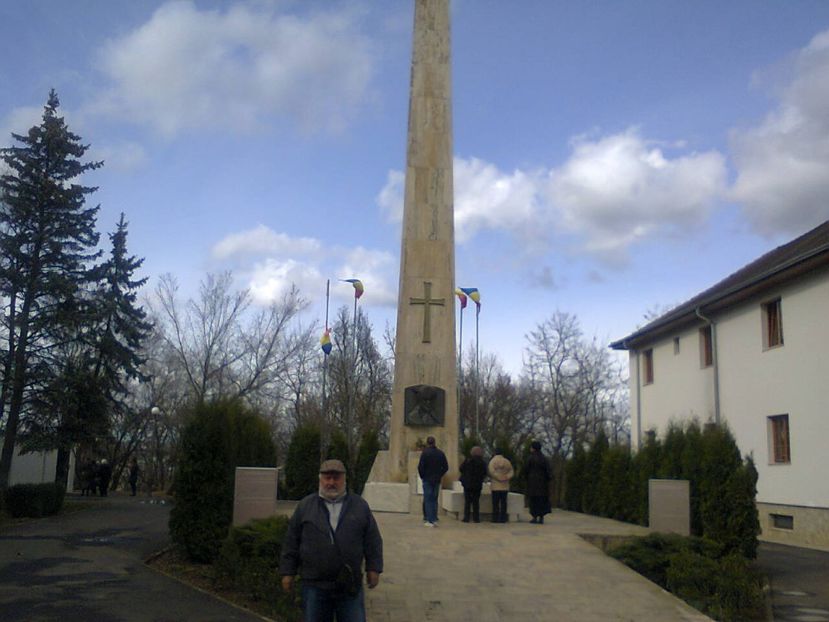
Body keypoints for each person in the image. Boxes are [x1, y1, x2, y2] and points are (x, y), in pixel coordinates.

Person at [280, 459, 383, 622]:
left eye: (336, 478)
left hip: (350, 587)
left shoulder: (359, 506)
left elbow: (373, 539)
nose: (331, 482)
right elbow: (292, 541)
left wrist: (374, 568)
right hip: (315, 586)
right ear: (320, 479)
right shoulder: (305, 506)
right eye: (327, 478)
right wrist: (287, 572)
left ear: (344, 479)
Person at [417, 436, 448, 527]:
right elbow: (446, 467)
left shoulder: (425, 453)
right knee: (434, 499)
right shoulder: (440, 453)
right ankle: (434, 518)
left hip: (427, 479)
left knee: (428, 499)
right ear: (434, 443)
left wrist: (423, 476)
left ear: (427, 443)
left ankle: (429, 519)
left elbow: (420, 467)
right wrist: (439, 474)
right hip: (437, 479)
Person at [524, 441, 552, 524]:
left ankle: (534, 517)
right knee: (542, 500)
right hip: (543, 484)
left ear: (533, 448)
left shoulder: (530, 458)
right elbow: (549, 471)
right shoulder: (544, 458)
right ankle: (541, 517)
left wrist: (526, 478)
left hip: (532, 483)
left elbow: (526, 470)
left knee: (534, 500)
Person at [459, 446, 487, 523]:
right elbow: (485, 472)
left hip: (468, 484)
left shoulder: (468, 461)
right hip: (477, 484)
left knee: (467, 501)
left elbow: (461, 469)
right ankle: (476, 518)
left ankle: (466, 517)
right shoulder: (482, 462)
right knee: (476, 502)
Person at [488, 449, 513, 523]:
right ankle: (503, 518)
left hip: (495, 485)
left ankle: (495, 518)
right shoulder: (507, 461)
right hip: (505, 485)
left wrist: (498, 477)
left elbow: (491, 471)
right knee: (503, 503)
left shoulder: (492, 461)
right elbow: (511, 471)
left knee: (495, 503)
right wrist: (506, 477)